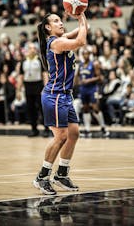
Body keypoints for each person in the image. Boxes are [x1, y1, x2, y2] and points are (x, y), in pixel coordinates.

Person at [33, 12, 87, 195]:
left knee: (73, 133)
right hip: (54, 96)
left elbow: (81, 31)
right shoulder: (55, 43)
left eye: (60, 19)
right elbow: (80, 41)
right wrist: (81, 17)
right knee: (61, 136)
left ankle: (61, 174)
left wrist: (82, 16)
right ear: (48, 27)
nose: (61, 22)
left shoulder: (61, 38)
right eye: (56, 21)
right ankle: (42, 177)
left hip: (65, 95)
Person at [75, 48, 109, 137]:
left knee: (95, 108)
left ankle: (103, 127)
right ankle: (87, 129)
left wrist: (89, 80)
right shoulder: (81, 65)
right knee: (85, 108)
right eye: (84, 54)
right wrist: (78, 82)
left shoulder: (94, 64)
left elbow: (100, 77)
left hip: (92, 88)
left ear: (89, 54)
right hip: (83, 89)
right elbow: (78, 76)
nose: (85, 55)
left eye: (87, 54)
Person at [23, 42, 49, 137]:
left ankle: (46, 128)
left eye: (34, 48)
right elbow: (21, 76)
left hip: (38, 85)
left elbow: (45, 74)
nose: (33, 50)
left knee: (42, 108)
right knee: (30, 109)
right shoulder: (23, 61)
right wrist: (18, 90)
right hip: (27, 86)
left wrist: (45, 88)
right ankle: (34, 129)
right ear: (27, 50)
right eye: (31, 48)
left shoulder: (39, 60)